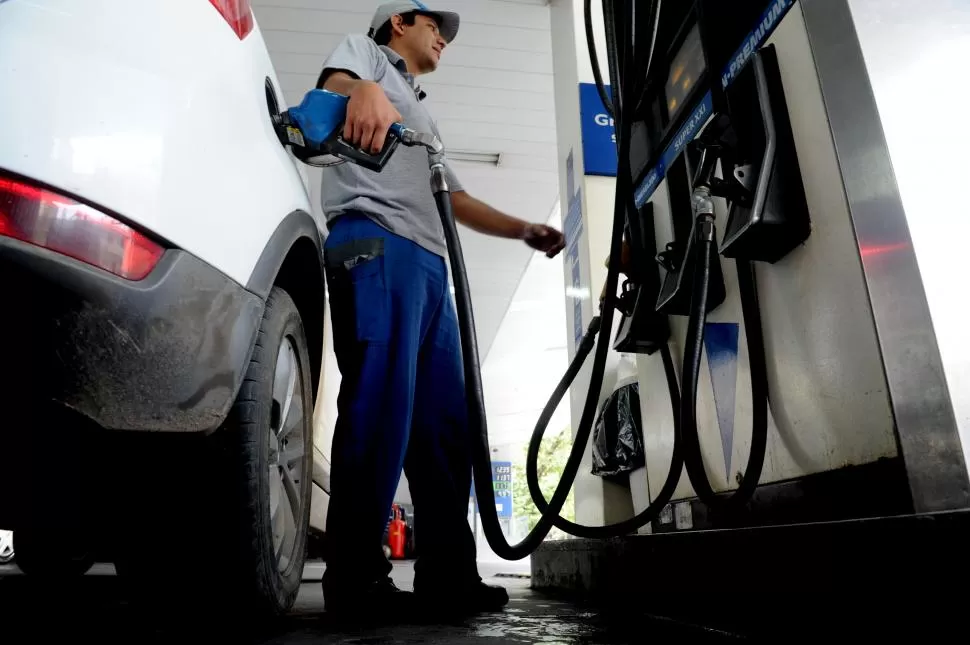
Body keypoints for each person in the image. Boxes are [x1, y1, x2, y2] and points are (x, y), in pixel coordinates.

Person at [317, 1, 566, 618]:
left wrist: (522, 229)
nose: (444, 41)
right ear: (400, 21)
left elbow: (454, 195)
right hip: (377, 242)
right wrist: (365, 88)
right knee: (380, 406)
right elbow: (335, 84)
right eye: (435, 27)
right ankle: (355, 579)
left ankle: (447, 574)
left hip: (429, 263)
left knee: (443, 427)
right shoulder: (367, 55)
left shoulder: (420, 110)